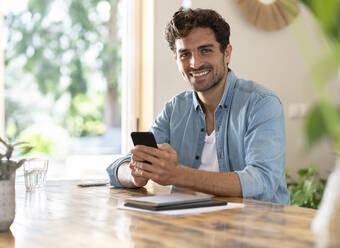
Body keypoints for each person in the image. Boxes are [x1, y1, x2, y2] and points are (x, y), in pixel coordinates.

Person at [107, 8, 290, 204]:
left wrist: (177, 175)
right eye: (185, 54)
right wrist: (137, 174)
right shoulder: (175, 109)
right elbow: (116, 169)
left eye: (205, 50)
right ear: (177, 59)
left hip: (256, 228)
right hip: (191, 224)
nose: (195, 63)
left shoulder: (261, 104)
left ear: (226, 53)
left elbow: (262, 181)